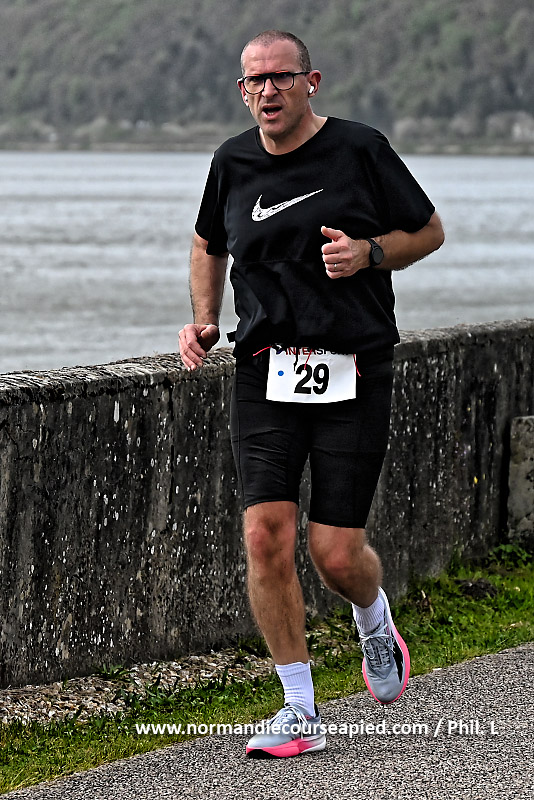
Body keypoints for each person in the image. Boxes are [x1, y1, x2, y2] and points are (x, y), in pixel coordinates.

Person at [179, 29, 444, 759]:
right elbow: (207, 243)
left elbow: (428, 231)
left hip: (354, 367)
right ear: (242, 90)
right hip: (265, 369)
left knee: (334, 554)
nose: (267, 91)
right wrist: (204, 318)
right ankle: (299, 708)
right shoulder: (231, 161)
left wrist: (370, 253)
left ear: (311, 81)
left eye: (281, 77)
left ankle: (373, 617)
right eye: (254, 81)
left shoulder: (359, 149)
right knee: (264, 535)